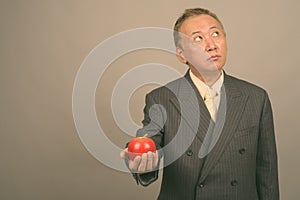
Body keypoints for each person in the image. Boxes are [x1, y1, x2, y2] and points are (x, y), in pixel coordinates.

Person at [120, 7, 279, 200]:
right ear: (181, 55)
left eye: (215, 33)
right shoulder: (162, 98)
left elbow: (267, 172)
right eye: (197, 38)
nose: (211, 45)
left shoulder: (255, 97)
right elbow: (149, 138)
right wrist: (142, 157)